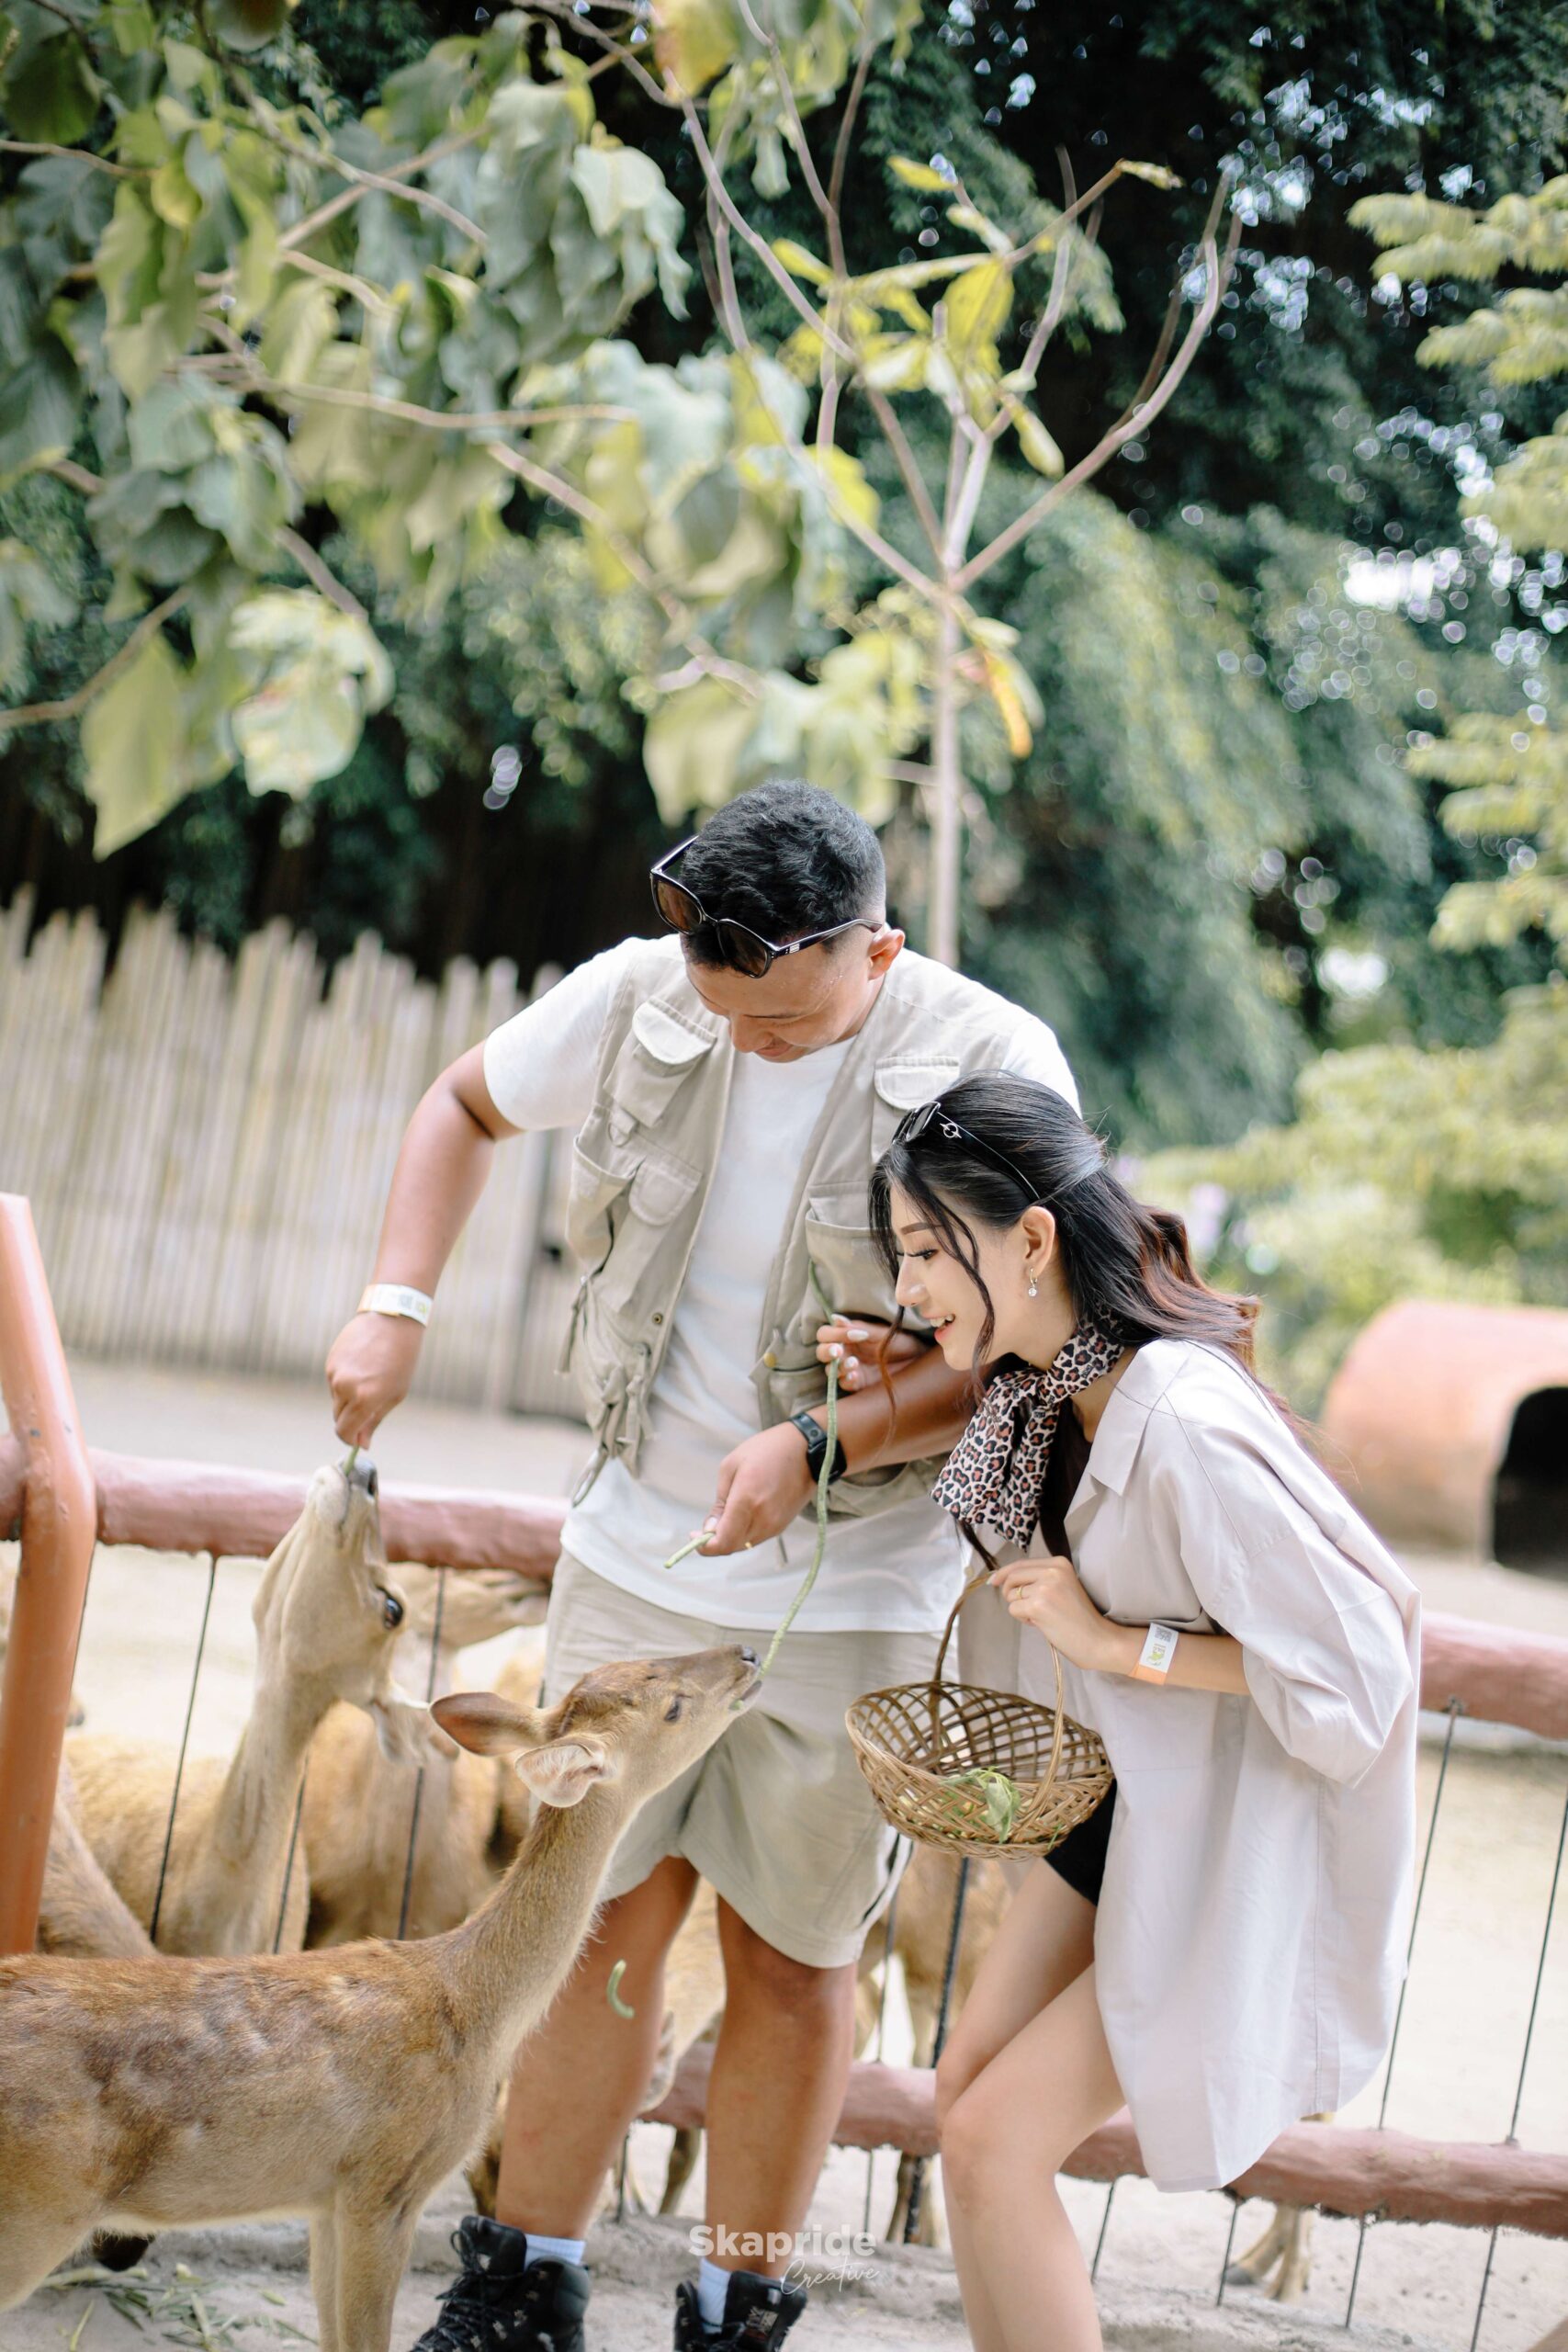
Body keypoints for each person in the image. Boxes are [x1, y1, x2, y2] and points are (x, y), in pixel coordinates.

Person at [324, 780, 1078, 2352]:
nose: (753, 1045)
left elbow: (1055, 1343)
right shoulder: (639, 997)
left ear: (876, 953)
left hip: (852, 1591)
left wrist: (830, 1440)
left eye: (786, 1022)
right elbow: (460, 1106)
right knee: (594, 1933)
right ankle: (524, 2282)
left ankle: (737, 2309)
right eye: (726, 1014)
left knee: (793, 1962)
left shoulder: (997, 1061)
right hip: (632, 1560)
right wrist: (397, 1301)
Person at [833, 1070, 1419, 2352]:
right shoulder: (1053, 1394)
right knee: (964, 2095)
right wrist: (899, 1365)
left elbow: (1359, 1669)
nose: (911, 1285)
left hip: (1220, 1830)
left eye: (929, 1251)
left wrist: (1117, 1643)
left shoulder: (1187, 1421)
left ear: (1032, 1239)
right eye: (904, 1255)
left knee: (995, 2146)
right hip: (1128, 1808)